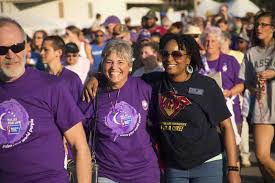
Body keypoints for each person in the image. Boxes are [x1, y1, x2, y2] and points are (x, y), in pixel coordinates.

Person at [83, 34, 241, 183]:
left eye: (177, 54)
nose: (169, 59)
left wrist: (233, 168)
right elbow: (119, 76)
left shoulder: (206, 85)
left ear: (188, 58)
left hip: (207, 162)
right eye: (165, 54)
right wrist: (96, 77)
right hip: (174, 166)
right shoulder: (153, 82)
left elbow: (226, 126)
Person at [0, 17, 91, 183]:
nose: (10, 54)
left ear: (26, 46)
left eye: (17, 47)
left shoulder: (52, 86)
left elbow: (80, 145)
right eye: (2, 49)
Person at [81, 39, 160, 183]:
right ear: (102, 64)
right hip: (107, 172)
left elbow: (158, 124)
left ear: (130, 66)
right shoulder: (92, 92)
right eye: (109, 61)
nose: (114, 67)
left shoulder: (143, 88)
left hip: (144, 171)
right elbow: (78, 131)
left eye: (121, 62)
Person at [239, 11, 275, 182]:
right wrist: (255, 88)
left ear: (273, 28)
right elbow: (247, 82)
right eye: (257, 24)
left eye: (264, 24)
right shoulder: (251, 52)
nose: (259, 27)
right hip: (263, 109)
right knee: (261, 157)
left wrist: (272, 73)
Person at [41, 36, 83, 103]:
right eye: (41, 49)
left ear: (59, 52)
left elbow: (79, 106)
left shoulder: (72, 78)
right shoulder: (39, 77)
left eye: (46, 50)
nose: (41, 53)